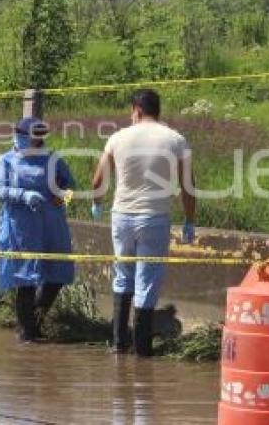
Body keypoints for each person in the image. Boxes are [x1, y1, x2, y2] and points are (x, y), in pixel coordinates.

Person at [91, 89, 196, 356]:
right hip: (154, 219)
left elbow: (98, 182)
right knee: (147, 280)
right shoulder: (176, 140)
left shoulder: (117, 138)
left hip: (122, 216)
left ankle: (118, 343)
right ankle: (142, 351)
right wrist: (189, 220)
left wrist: (97, 204)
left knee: (123, 275)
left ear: (136, 110)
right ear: (157, 111)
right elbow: (188, 186)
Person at [0, 117, 76, 342]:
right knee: (26, 279)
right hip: (21, 226)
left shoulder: (52, 160)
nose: (34, 141)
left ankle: (33, 322)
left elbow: (70, 186)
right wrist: (23, 195)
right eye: (30, 136)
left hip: (51, 224)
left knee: (57, 274)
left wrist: (62, 198)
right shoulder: (6, 161)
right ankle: (27, 333)